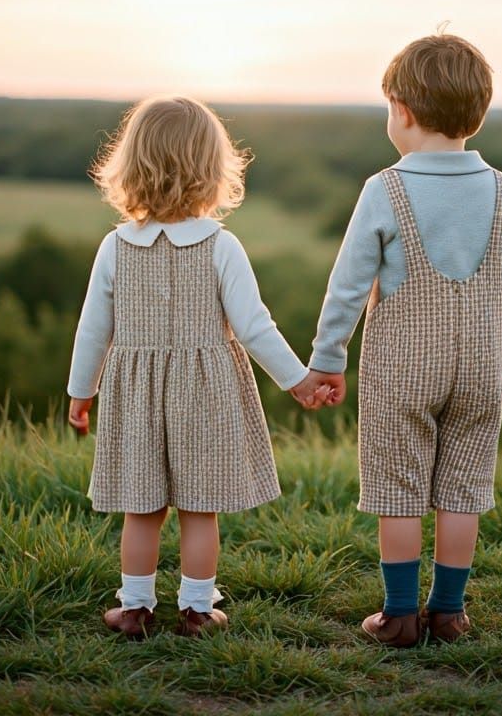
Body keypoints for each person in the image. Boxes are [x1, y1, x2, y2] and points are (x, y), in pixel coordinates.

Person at [67, 95, 326, 638]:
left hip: (135, 393)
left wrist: (80, 393)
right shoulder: (221, 247)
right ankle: (197, 610)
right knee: (198, 509)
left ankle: (135, 608)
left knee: (141, 509)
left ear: (130, 166)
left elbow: (93, 329)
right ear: (213, 171)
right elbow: (255, 326)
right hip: (205, 394)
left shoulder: (115, 247)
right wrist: (298, 381)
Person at [306, 33, 502, 646]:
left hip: (402, 367)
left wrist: (329, 358)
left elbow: (348, 286)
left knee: (399, 486)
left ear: (402, 110)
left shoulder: (386, 188)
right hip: (484, 365)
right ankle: (450, 613)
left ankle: (400, 616)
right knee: (463, 486)